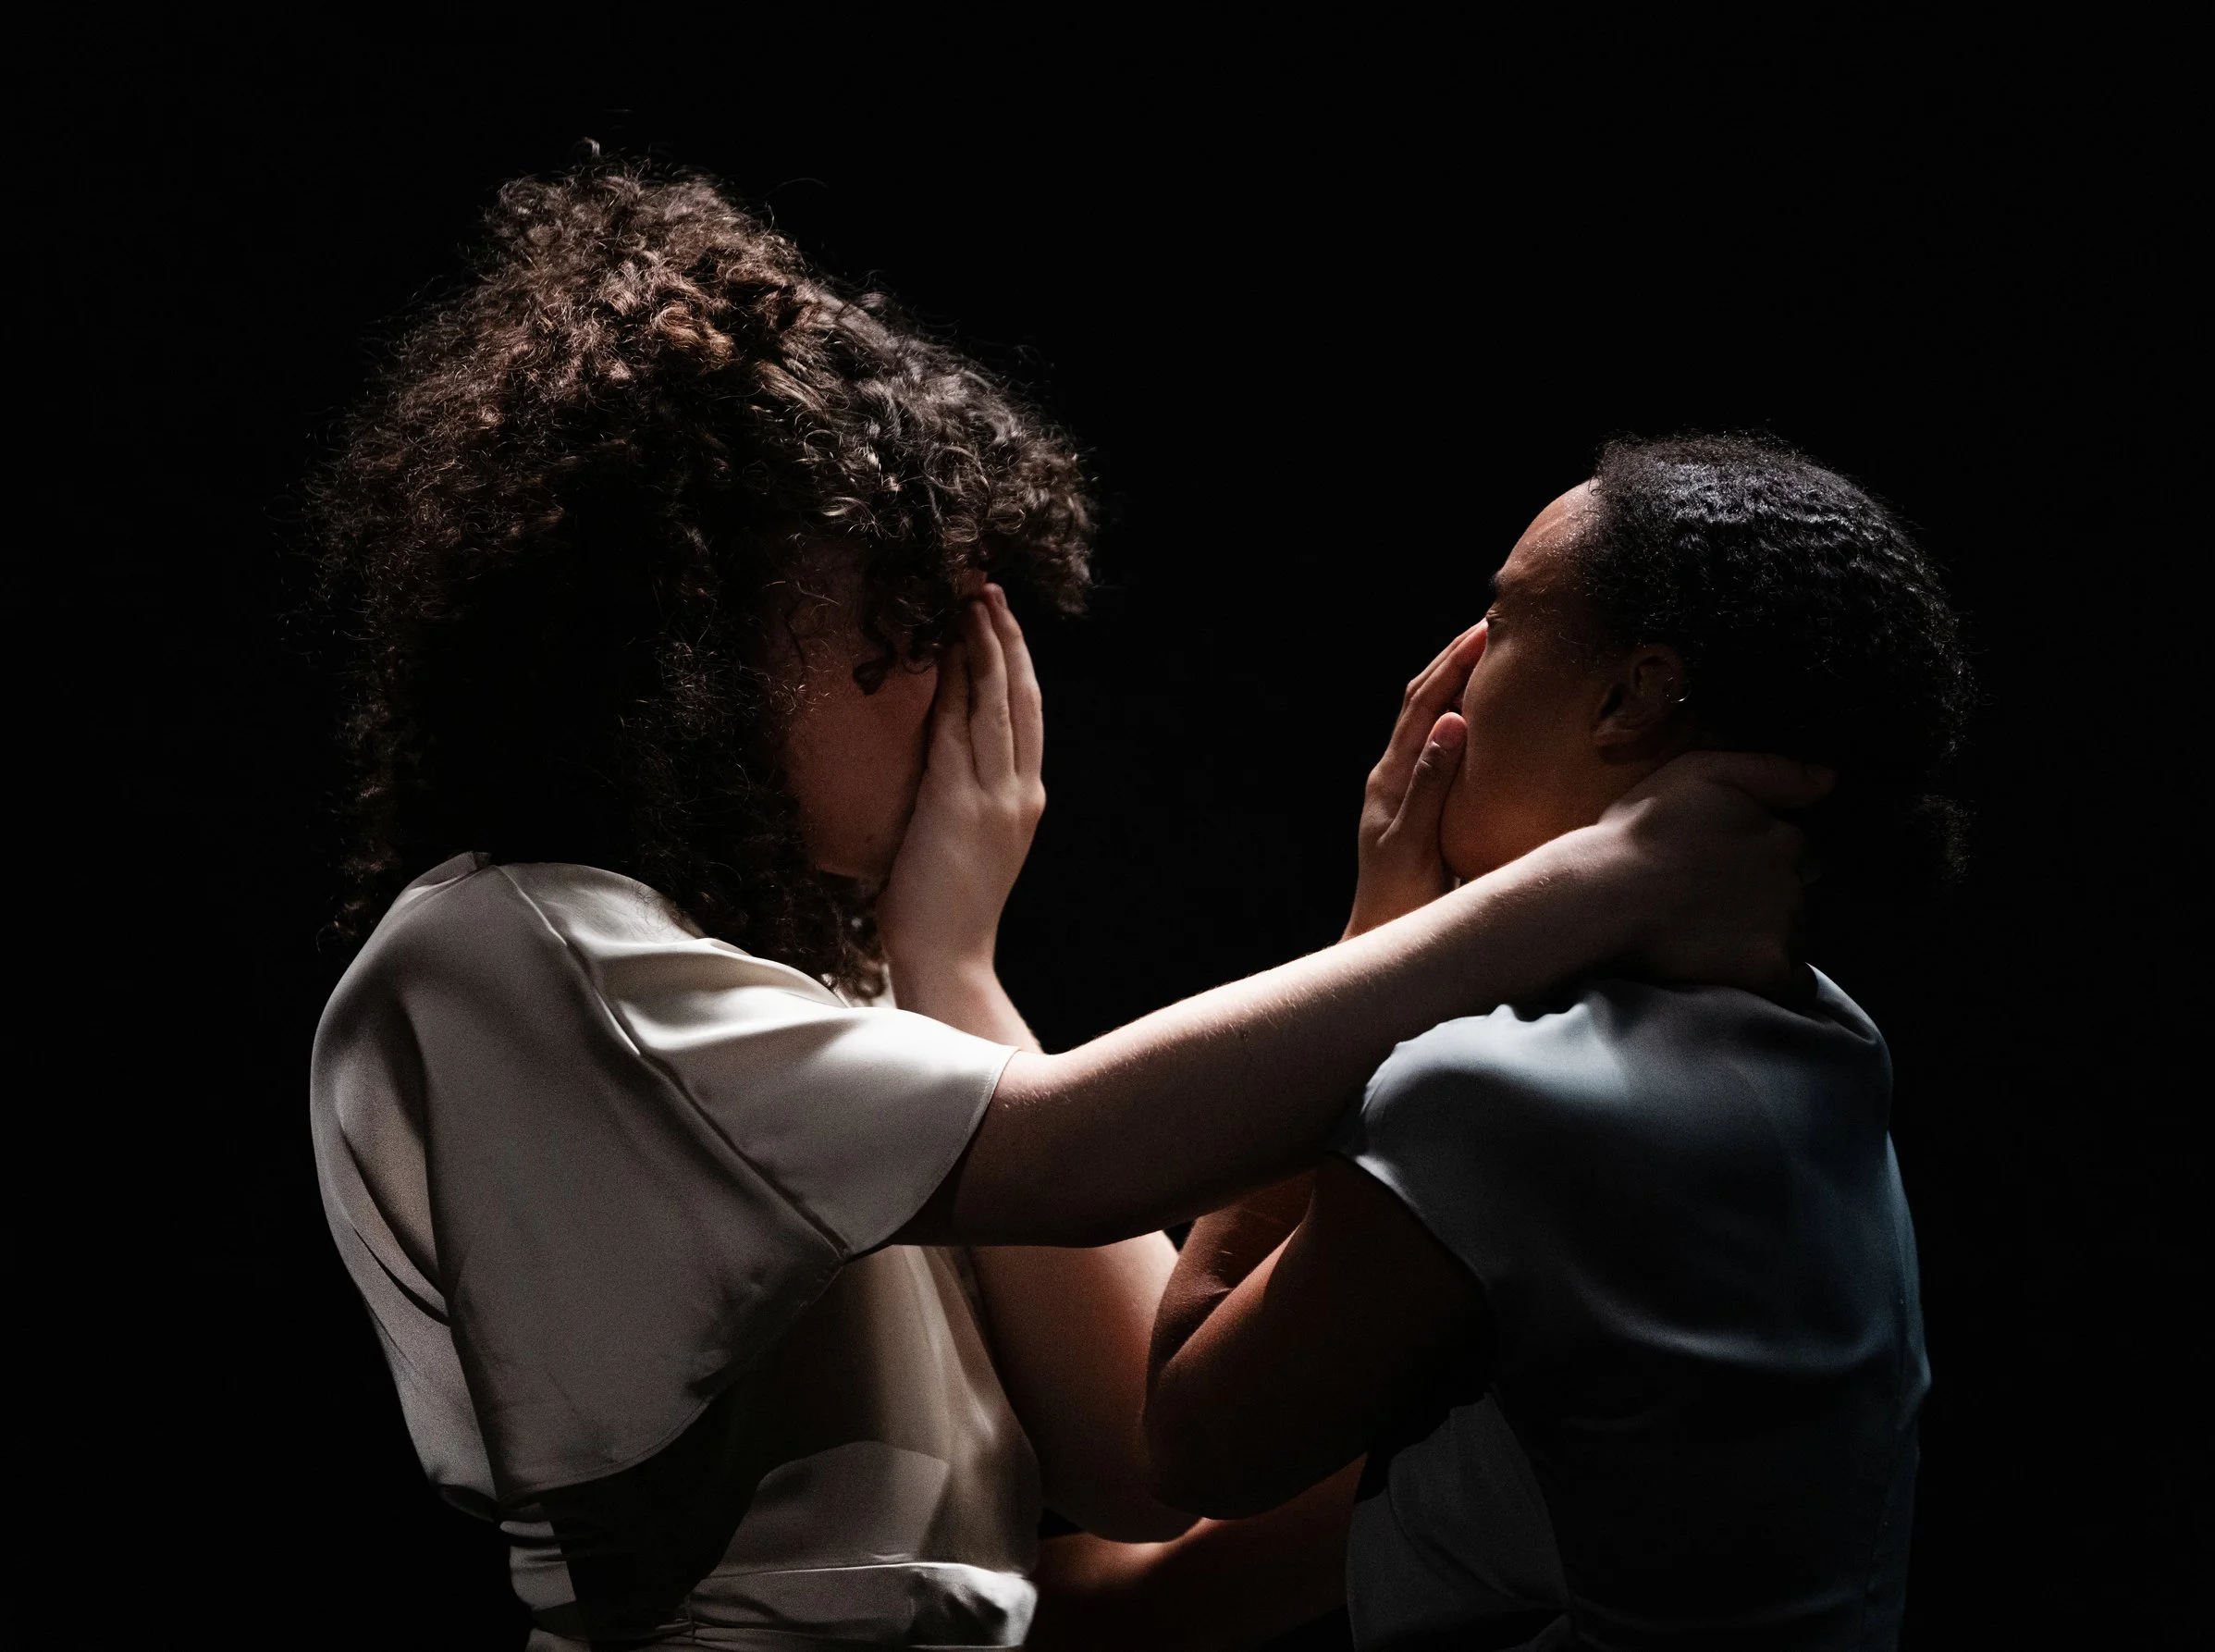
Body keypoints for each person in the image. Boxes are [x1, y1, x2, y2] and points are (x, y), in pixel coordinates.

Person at [306, 166, 1826, 1651]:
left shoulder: (820, 992)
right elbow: (1071, 1148)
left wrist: (947, 962)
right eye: (904, 615)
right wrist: (1612, 875)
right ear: (692, 631)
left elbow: (1140, 1455)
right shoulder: (514, 947)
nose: (974, 678)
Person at [1145, 437, 1969, 1651]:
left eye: (1499, 617)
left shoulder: (1508, 1099)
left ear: (1630, 696)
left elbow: (1190, 1435)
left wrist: (1371, 954)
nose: (1444, 676)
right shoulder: (1834, 1046)